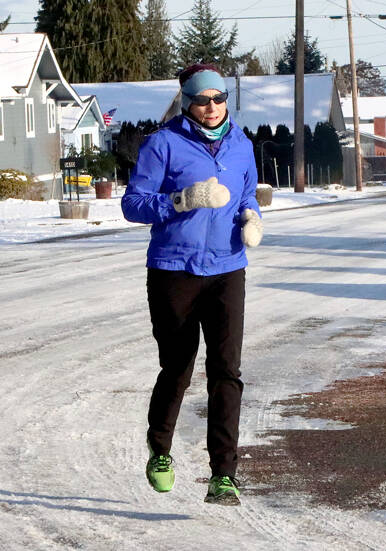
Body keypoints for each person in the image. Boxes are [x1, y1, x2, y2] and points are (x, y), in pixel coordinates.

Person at [121, 63, 263, 506]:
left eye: (218, 98)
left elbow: (247, 193)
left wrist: (252, 217)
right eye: (202, 99)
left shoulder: (241, 144)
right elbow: (133, 204)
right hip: (173, 269)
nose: (211, 106)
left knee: (226, 371)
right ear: (187, 102)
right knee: (178, 369)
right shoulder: (162, 143)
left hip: (227, 268)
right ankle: (159, 450)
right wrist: (181, 201)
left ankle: (224, 474)